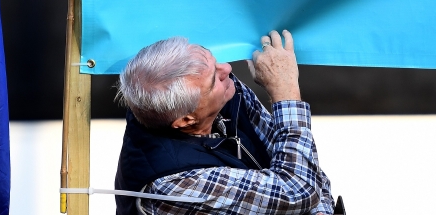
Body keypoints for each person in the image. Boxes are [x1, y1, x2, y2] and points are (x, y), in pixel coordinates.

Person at [114, 30, 337, 215]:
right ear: (186, 120)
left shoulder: (216, 94)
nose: (228, 70)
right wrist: (286, 92)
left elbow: (307, 170)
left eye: (214, 61)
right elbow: (299, 190)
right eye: (214, 80)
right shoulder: (174, 183)